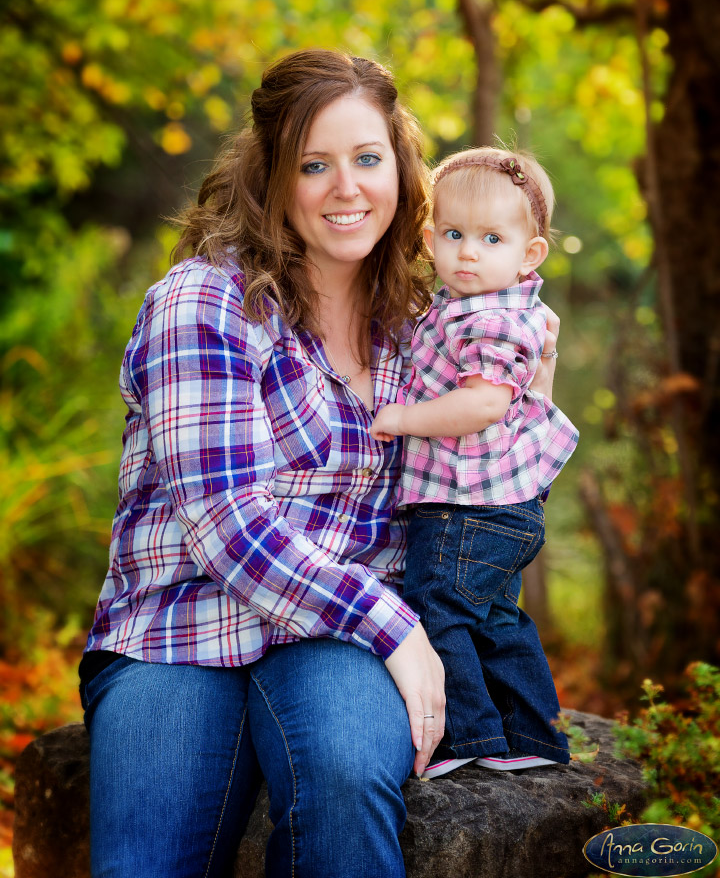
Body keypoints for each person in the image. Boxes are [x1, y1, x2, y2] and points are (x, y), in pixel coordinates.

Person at [79, 51, 559, 878]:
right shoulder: (204, 302)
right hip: (180, 627)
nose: (348, 188)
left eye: (368, 159)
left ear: (401, 173)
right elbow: (229, 531)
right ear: (273, 179)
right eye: (315, 164)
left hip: (332, 638)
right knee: (144, 863)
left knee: (343, 782)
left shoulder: (422, 323)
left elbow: (489, 464)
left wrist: (532, 386)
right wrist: (399, 627)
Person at [370, 146, 578, 779]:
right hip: (504, 506)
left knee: (439, 607)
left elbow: (483, 403)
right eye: (455, 235)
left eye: (492, 238)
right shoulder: (479, 306)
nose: (468, 252)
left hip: (468, 506)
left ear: (529, 254)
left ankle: (468, 737)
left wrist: (401, 418)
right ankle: (534, 737)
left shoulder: (492, 319)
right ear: (430, 239)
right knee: (495, 617)